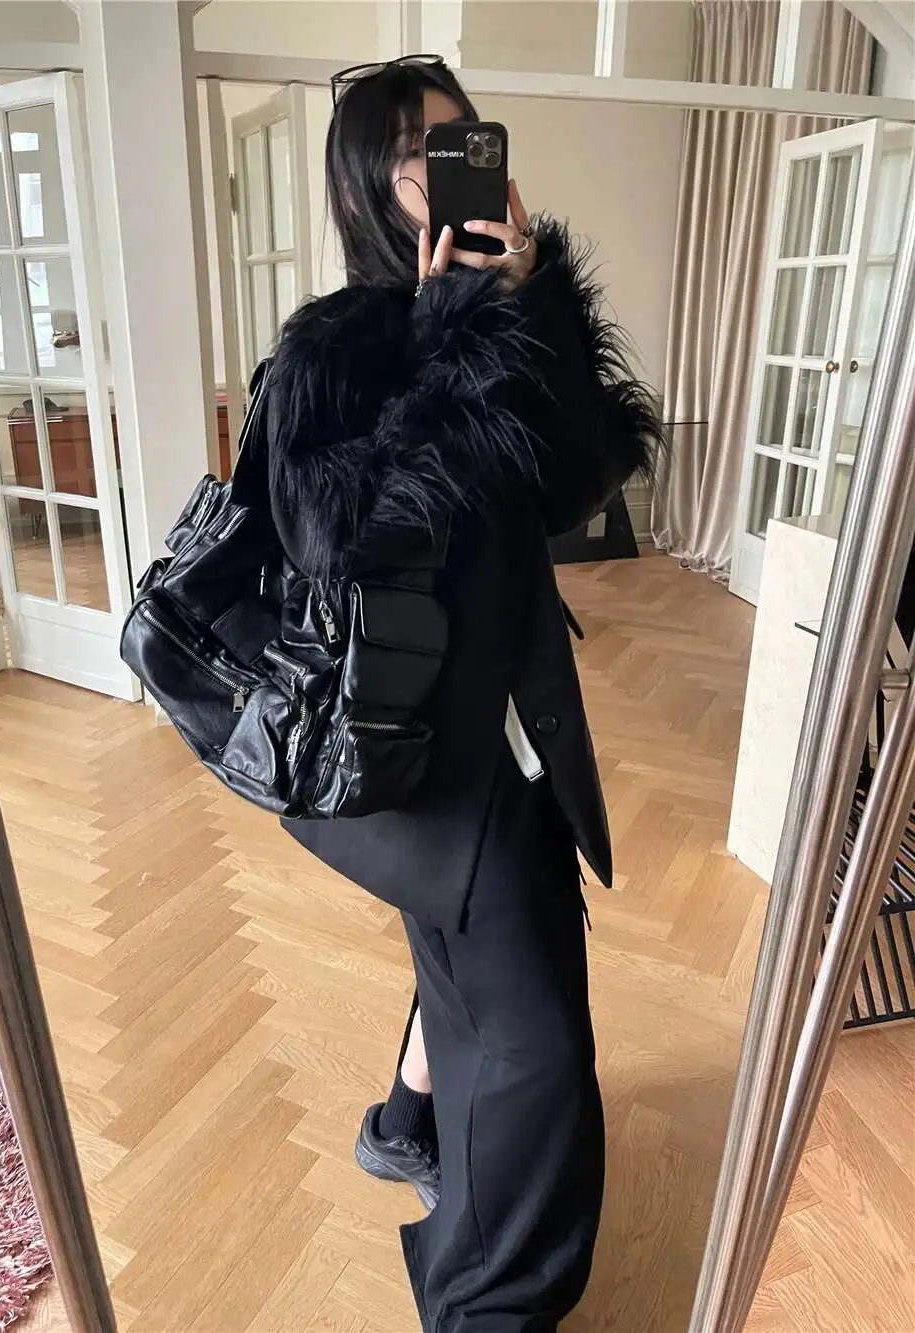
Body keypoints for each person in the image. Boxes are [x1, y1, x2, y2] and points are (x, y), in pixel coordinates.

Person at [250, 55, 662, 1333]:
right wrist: (444, 338)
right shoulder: (330, 350)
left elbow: (581, 485)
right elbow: (344, 536)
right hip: (416, 761)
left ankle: (404, 1124)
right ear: (365, 189)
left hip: (515, 732)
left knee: (478, 978)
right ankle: (489, 1308)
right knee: (536, 1054)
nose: (450, 168)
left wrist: (535, 307)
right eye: (419, 151)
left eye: (464, 141)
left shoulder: (511, 311)